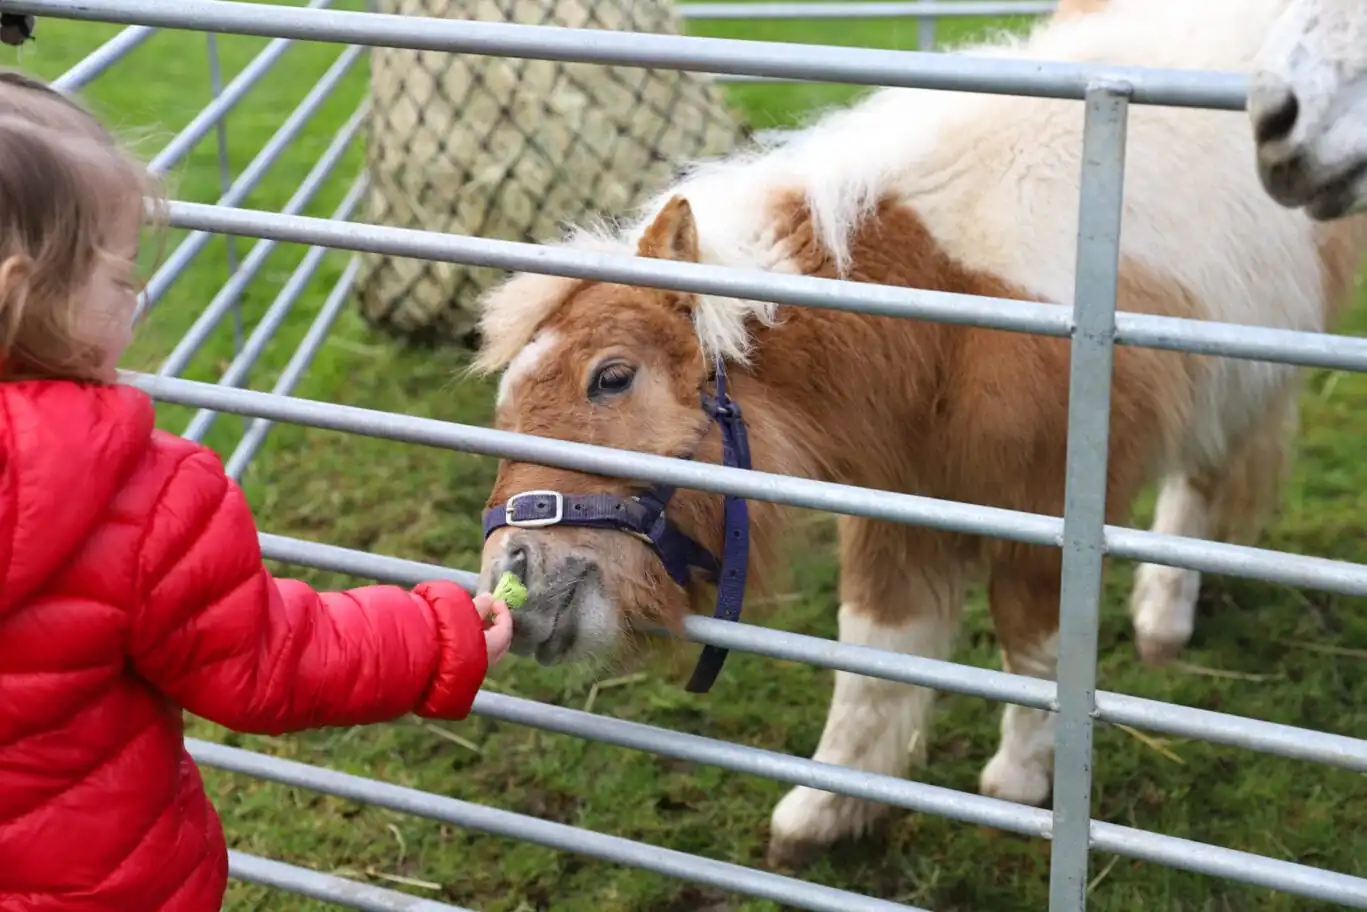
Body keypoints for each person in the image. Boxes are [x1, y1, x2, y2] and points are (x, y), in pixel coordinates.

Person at [0, 70, 514, 911]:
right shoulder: (136, 502)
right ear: (25, 295)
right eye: (121, 278)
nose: (142, 296)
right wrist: (434, 636)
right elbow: (269, 660)